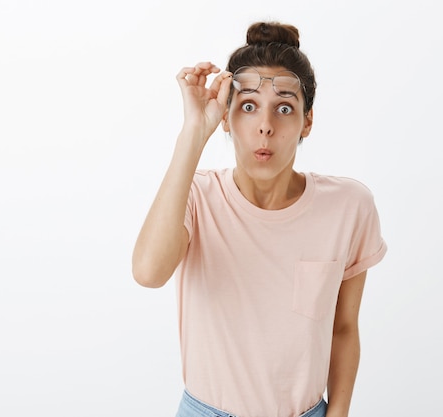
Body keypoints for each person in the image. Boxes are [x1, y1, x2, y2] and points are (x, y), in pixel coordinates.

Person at [132, 21, 387, 417]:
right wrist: (193, 131)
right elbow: (148, 272)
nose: (265, 125)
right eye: (247, 106)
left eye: (284, 108)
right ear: (227, 119)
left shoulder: (349, 206)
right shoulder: (195, 196)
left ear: (307, 121)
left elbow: (344, 328)